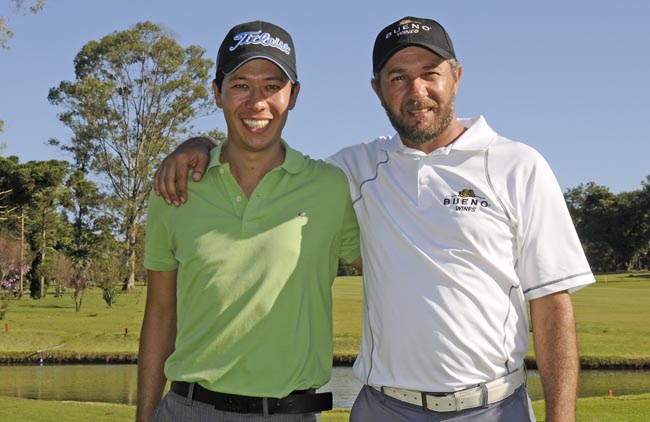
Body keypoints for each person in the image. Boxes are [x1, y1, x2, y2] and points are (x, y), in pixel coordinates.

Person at [153, 16, 595, 422]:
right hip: (383, 407)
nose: (416, 89)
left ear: (456, 78)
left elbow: (553, 306)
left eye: (429, 74)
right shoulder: (354, 170)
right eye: (398, 78)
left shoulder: (517, 166)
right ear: (377, 89)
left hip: (493, 407)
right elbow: (260, 151)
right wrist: (196, 146)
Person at [137, 20, 360, 422]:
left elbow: (391, 272)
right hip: (188, 410)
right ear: (217, 92)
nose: (257, 102)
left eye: (272, 86)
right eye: (240, 85)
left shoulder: (330, 189)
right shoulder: (174, 188)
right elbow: (159, 313)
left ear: (293, 96)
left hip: (289, 413)